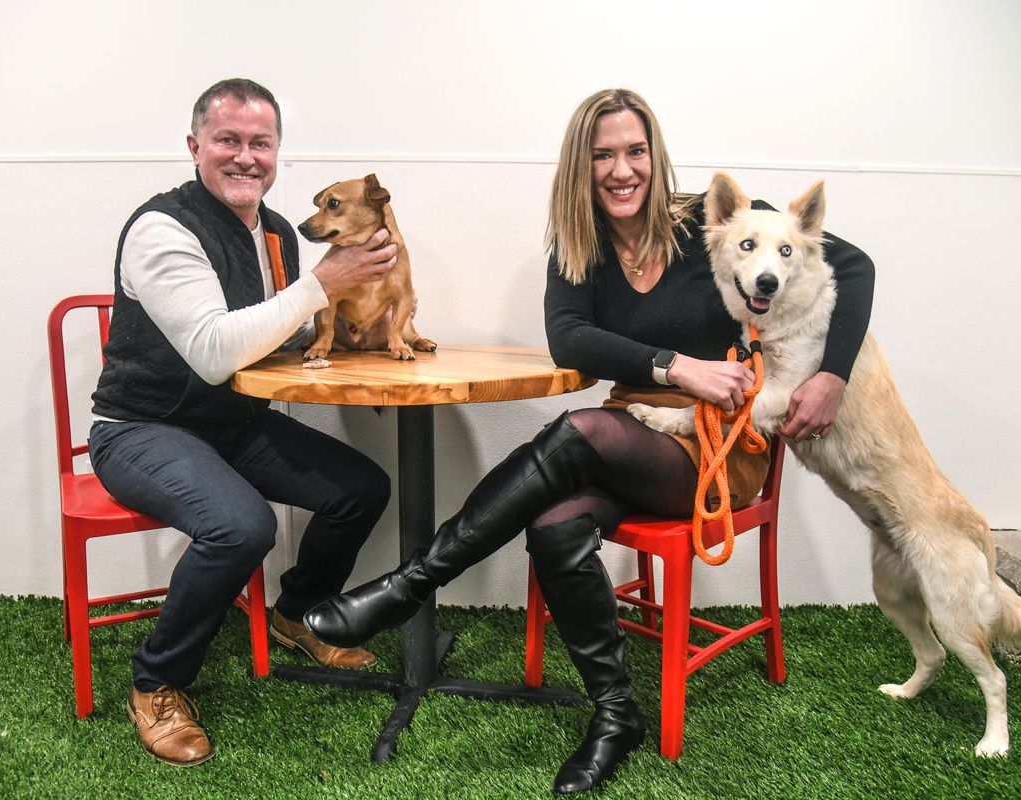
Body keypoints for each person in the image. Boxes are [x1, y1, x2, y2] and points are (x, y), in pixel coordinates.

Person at [304, 89, 874, 793]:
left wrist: (834, 377)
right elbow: (569, 337)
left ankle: (411, 583)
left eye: (635, 151)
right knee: (553, 522)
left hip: (719, 448)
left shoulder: (712, 222)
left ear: (654, 155)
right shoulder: (579, 246)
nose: (621, 169)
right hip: (631, 434)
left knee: (583, 429)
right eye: (603, 154)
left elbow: (853, 264)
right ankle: (615, 713)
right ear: (582, 164)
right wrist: (672, 366)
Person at [88, 78, 400, 767]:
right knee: (242, 526)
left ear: (277, 152)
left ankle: (296, 612)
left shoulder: (281, 231)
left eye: (260, 143)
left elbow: (279, 337)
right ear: (195, 145)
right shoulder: (161, 228)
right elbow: (213, 352)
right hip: (140, 429)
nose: (245, 156)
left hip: (232, 424)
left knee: (362, 487)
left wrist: (365, 360)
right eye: (228, 140)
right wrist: (324, 285)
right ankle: (156, 682)